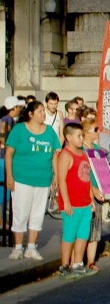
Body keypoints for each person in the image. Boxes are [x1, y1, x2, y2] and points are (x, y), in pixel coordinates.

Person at [4, 101, 61, 260]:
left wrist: (56, 175)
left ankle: (31, 247)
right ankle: (17, 247)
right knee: (21, 212)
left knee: (37, 214)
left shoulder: (49, 131)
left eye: (44, 111)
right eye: (40, 111)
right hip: (22, 178)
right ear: (30, 114)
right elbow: (9, 153)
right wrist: (9, 175)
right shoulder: (19, 130)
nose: (44, 114)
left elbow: (55, 154)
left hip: (43, 179)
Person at [56, 122, 98, 279]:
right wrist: (66, 202)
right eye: (78, 136)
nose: (81, 139)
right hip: (71, 204)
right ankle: (65, 265)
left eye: (82, 135)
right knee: (69, 234)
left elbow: (87, 178)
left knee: (83, 234)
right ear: (68, 137)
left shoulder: (83, 154)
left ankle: (78, 263)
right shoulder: (65, 155)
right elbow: (61, 180)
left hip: (85, 202)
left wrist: (91, 198)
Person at [78, 107, 105, 271]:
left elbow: (102, 173)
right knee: (82, 227)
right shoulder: (81, 150)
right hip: (84, 192)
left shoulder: (97, 149)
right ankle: (78, 260)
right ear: (87, 131)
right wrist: (92, 190)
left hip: (98, 191)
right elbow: (83, 174)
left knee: (95, 228)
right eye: (95, 129)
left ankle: (91, 261)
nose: (98, 131)